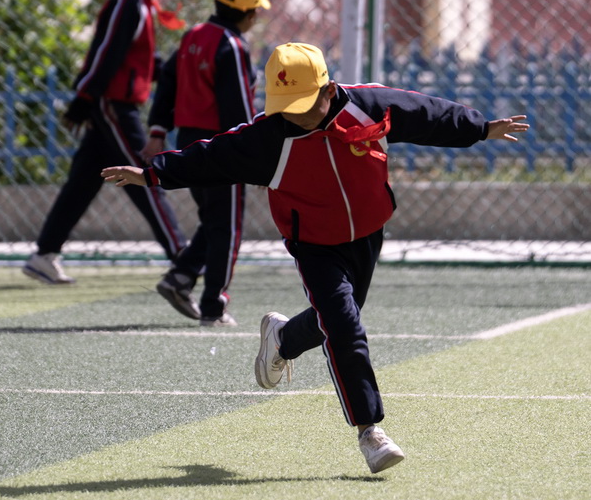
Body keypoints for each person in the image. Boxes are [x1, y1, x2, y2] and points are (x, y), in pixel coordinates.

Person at [101, 42, 528, 473]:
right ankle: (370, 432)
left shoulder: (366, 105)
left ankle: (282, 339)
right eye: (286, 105)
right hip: (315, 245)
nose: (296, 114)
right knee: (344, 325)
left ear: (328, 89)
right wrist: (152, 174)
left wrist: (479, 128)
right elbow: (211, 155)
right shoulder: (268, 138)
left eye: (304, 103)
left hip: (367, 233)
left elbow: (424, 114)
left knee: (337, 318)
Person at [22, 0, 188, 285]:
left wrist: (175, 72)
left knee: (83, 182)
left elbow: (135, 61)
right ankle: (183, 257)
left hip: (113, 103)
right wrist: (84, 99)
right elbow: (105, 54)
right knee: (147, 176)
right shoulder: (127, 1)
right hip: (113, 105)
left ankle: (44, 254)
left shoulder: (139, 1)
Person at [142, 0, 271, 326]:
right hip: (222, 147)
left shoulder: (193, 36)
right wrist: (255, 156)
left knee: (215, 220)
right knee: (227, 226)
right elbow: (239, 111)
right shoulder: (232, 46)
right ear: (250, 13)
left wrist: (157, 131)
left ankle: (180, 277)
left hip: (188, 142)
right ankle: (214, 306)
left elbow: (167, 84)